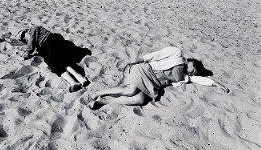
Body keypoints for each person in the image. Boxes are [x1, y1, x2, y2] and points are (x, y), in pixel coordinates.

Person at [89, 46, 229, 109]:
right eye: (195, 69)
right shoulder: (176, 54)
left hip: (151, 84)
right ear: (192, 62)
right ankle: (99, 93)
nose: (194, 73)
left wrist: (216, 84)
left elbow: (201, 79)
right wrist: (135, 61)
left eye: (196, 73)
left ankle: (104, 102)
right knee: (131, 90)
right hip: (145, 70)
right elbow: (155, 55)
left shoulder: (185, 77)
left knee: (140, 100)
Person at [17, 25, 91, 92]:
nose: (24, 38)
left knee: (54, 58)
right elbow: (35, 50)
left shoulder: (33, 28)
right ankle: (73, 82)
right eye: (22, 39)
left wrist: (24, 56)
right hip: (46, 47)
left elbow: (30, 46)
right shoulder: (36, 43)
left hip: (52, 40)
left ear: (26, 30)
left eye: (23, 35)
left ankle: (80, 78)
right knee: (52, 63)